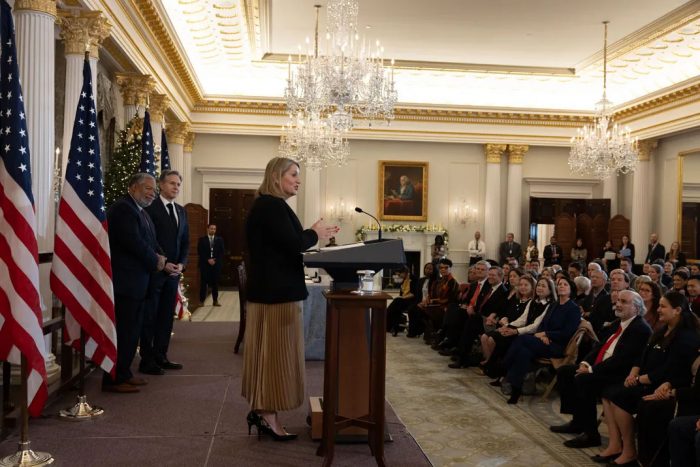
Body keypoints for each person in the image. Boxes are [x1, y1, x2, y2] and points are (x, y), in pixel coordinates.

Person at [242, 157, 338, 441]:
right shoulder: (271, 206)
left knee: (269, 355)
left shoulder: (270, 206)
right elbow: (294, 244)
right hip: (276, 295)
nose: (298, 180)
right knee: (275, 357)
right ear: (276, 176)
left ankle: (263, 411)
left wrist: (312, 234)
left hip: (272, 293)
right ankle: (267, 415)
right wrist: (314, 234)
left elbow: (286, 243)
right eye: (293, 174)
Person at [597, 292, 700, 466]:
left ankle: (634, 454)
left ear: (677, 310)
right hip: (647, 379)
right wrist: (634, 372)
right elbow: (643, 354)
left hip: (664, 383)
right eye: (658, 305)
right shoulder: (663, 329)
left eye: (663, 306)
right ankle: (618, 446)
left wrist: (640, 380)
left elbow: (671, 369)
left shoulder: (686, 336)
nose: (658, 309)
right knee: (609, 393)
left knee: (623, 398)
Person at [550, 290, 652, 450]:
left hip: (618, 373)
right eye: (618, 300)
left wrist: (591, 370)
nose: (618, 304)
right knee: (565, 371)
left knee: (583, 380)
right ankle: (578, 421)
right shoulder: (618, 323)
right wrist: (585, 363)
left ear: (637, 308)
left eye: (624, 302)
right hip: (600, 366)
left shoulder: (640, 329)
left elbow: (621, 360)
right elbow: (599, 346)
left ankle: (591, 434)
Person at [103, 173, 166, 393]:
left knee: (132, 332)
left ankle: (124, 373)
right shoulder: (122, 209)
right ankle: (113, 379)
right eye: (147, 189)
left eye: (153, 190)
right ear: (133, 188)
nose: (152, 193)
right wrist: (155, 260)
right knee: (124, 331)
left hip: (139, 283)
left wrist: (163, 258)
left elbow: (151, 241)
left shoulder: (141, 212)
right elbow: (134, 243)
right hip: (126, 283)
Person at [140, 170, 189, 375]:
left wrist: (181, 264)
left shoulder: (181, 210)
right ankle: (147, 360)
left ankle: (161, 355)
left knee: (166, 318)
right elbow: (150, 240)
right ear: (161, 185)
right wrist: (165, 262)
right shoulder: (150, 208)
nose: (175, 187)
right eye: (171, 183)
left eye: (178, 184)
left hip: (173, 274)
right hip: (155, 273)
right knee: (150, 317)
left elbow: (185, 241)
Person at [502, 277, 581, 404]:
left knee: (522, 339)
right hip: (544, 341)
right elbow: (544, 323)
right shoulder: (554, 305)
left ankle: (504, 365)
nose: (561, 286)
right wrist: (544, 335)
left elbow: (567, 333)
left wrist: (546, 334)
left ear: (571, 290)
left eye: (565, 285)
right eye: (560, 284)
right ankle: (516, 391)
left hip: (557, 346)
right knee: (523, 353)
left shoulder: (573, 308)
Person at [386, 266, 420, 336]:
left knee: (395, 304)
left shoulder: (413, 279)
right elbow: (402, 293)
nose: (399, 276)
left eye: (399, 274)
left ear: (404, 272)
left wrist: (402, 297)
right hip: (405, 300)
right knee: (395, 306)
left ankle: (392, 327)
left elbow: (414, 294)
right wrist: (401, 297)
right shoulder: (404, 280)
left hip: (412, 300)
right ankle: (393, 327)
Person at [198, 223, 224, 306]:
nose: (213, 230)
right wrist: (208, 259)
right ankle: (201, 301)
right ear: (208, 229)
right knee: (203, 283)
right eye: (211, 228)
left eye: (214, 229)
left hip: (216, 265)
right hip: (205, 265)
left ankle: (215, 301)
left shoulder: (219, 240)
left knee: (215, 283)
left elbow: (221, 252)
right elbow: (200, 252)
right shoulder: (202, 240)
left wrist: (214, 260)